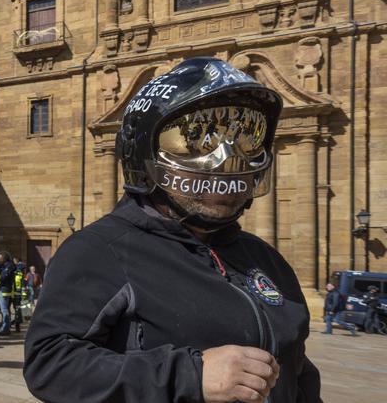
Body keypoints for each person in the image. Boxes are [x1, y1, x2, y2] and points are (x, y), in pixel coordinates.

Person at [24, 58, 320, 402]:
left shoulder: (267, 260)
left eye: (246, 136)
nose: (227, 160)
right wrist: (189, 375)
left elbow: (298, 373)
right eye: (195, 139)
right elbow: (50, 365)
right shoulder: (99, 250)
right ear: (145, 150)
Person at [0, 251, 15, 335]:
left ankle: (5, 329)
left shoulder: (8, 266)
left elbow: (3, 276)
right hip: (5, 290)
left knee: (4, 310)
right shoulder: (5, 265)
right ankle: (5, 326)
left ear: (4, 258)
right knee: (4, 310)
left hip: (4, 290)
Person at [12, 261, 28, 332]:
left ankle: (15, 323)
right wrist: (24, 296)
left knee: (16, 310)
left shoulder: (14, 273)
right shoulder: (21, 275)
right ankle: (17, 326)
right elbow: (23, 287)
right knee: (18, 310)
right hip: (18, 295)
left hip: (13, 294)